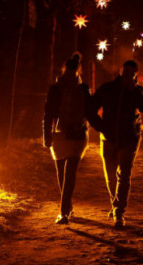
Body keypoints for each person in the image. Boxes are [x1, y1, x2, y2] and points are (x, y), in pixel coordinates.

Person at [87, 60, 143, 229]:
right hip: (108, 138)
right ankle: (116, 204)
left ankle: (119, 212)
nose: (128, 76)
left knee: (124, 175)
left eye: (132, 73)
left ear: (135, 75)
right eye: (126, 72)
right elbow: (90, 109)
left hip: (129, 139)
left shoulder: (137, 91)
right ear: (120, 72)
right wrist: (102, 127)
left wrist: (135, 91)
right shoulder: (108, 88)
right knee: (110, 176)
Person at [42, 52, 91, 225]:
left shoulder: (83, 89)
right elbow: (48, 114)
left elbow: (90, 112)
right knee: (61, 174)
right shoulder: (56, 89)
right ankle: (67, 206)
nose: (71, 74)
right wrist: (46, 135)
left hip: (77, 135)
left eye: (73, 71)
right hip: (60, 134)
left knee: (69, 172)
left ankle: (63, 212)